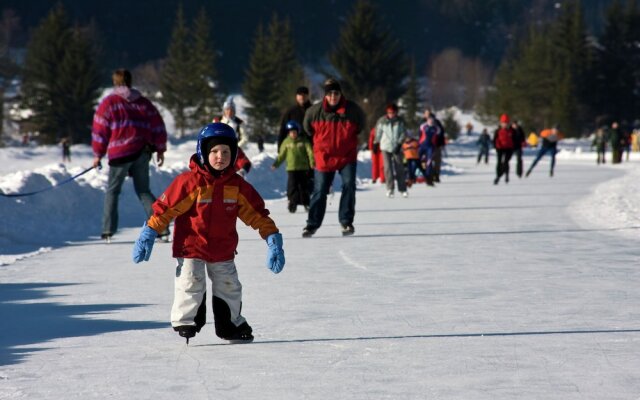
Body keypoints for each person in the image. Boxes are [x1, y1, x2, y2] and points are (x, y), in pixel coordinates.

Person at [132, 122, 285, 344]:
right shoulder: (189, 182)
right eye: (213, 151)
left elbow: (257, 215)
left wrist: (272, 239)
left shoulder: (237, 186)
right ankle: (186, 319)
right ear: (203, 152)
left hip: (223, 248)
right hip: (191, 246)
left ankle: (230, 324)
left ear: (233, 155)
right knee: (190, 280)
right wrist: (149, 232)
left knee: (229, 286)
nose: (220, 156)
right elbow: (165, 210)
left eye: (225, 152)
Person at [92, 68, 168, 242]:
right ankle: (162, 229)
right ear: (130, 81)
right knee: (143, 191)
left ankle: (107, 231)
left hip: (120, 154)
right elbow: (158, 126)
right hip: (142, 152)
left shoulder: (109, 103)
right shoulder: (143, 103)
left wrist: (98, 154)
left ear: (114, 82)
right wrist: (160, 149)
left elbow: (100, 130)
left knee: (112, 191)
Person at [301, 78, 365, 237]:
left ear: (340, 94)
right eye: (330, 94)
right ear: (326, 95)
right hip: (324, 156)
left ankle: (346, 222)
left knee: (349, 185)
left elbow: (361, 126)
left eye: (336, 93)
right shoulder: (314, 112)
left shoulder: (353, 110)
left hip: (347, 156)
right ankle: (312, 225)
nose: (333, 97)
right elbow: (307, 128)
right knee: (320, 190)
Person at [271, 120, 315, 213]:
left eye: (294, 132)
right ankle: (292, 203)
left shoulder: (303, 141)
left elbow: (310, 152)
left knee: (303, 186)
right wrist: (276, 164)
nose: (293, 134)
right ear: (288, 133)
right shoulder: (286, 142)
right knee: (292, 187)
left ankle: (306, 203)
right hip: (291, 168)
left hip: (303, 168)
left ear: (298, 132)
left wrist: (312, 162)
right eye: (291, 132)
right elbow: (281, 155)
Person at [374, 103, 408, 198]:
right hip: (385, 147)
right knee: (388, 168)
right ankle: (390, 188)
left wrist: (399, 143)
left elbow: (403, 133)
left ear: (396, 112)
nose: (391, 114)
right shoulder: (382, 121)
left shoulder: (400, 121)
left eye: (393, 112)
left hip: (396, 147)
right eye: (389, 112)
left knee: (399, 168)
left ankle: (402, 189)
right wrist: (376, 143)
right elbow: (378, 132)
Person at [277, 86, 313, 151]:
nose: (302, 97)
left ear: (308, 96)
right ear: (296, 96)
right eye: (300, 95)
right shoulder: (291, 111)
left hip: (311, 146)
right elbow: (283, 130)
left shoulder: (313, 110)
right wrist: (280, 147)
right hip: (295, 148)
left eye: (304, 94)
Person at [422, 109, 446, 182]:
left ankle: (436, 175)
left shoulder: (436, 122)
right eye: (425, 113)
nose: (426, 115)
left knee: (436, 161)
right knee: (428, 161)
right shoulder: (423, 123)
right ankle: (430, 175)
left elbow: (441, 132)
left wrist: (441, 143)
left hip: (436, 145)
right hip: (426, 145)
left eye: (427, 113)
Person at [493, 113, 515, 184]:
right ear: (501, 123)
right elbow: (494, 139)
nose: (504, 124)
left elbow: (516, 139)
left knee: (506, 162)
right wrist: (496, 146)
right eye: (503, 123)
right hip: (500, 148)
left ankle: (506, 175)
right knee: (499, 162)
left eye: (506, 123)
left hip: (509, 148)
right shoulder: (498, 130)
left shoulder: (512, 131)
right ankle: (498, 176)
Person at [418, 115, 438, 186]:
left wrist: (434, 147)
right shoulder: (423, 126)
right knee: (417, 160)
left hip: (430, 147)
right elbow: (419, 135)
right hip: (422, 146)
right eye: (429, 119)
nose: (431, 121)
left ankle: (428, 178)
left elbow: (436, 139)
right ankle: (413, 176)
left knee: (429, 163)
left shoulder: (435, 128)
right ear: (427, 120)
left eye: (432, 120)